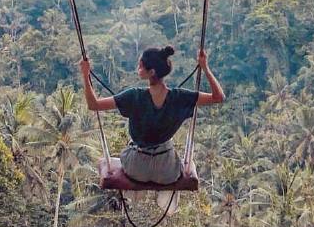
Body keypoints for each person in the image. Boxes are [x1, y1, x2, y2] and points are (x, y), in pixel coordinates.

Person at [79, 45, 224, 211]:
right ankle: (166, 192)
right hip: (167, 170)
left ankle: (134, 194)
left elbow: (93, 104)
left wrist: (85, 75)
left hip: (136, 168)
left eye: (140, 65)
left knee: (105, 162)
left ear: (152, 72)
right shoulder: (179, 97)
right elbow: (218, 97)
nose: (137, 68)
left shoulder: (134, 96)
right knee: (188, 164)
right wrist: (205, 67)